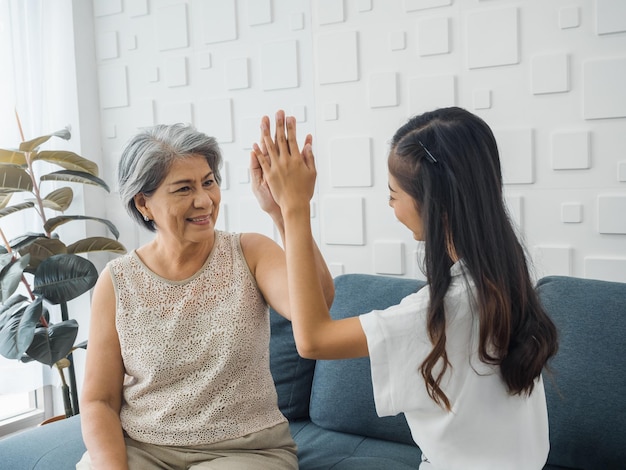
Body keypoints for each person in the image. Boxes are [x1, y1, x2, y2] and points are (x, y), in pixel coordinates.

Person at [252, 107, 559, 470]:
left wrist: (296, 208)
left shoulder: (443, 312)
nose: (390, 204)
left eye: (394, 194)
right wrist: (280, 213)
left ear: (434, 203)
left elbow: (313, 339)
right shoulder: (505, 284)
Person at [78, 122, 334, 470]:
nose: (204, 200)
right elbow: (99, 400)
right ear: (144, 203)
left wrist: (285, 210)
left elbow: (316, 305)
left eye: (209, 182)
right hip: (142, 449)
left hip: (246, 453)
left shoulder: (249, 252)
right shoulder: (118, 281)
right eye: (183, 189)